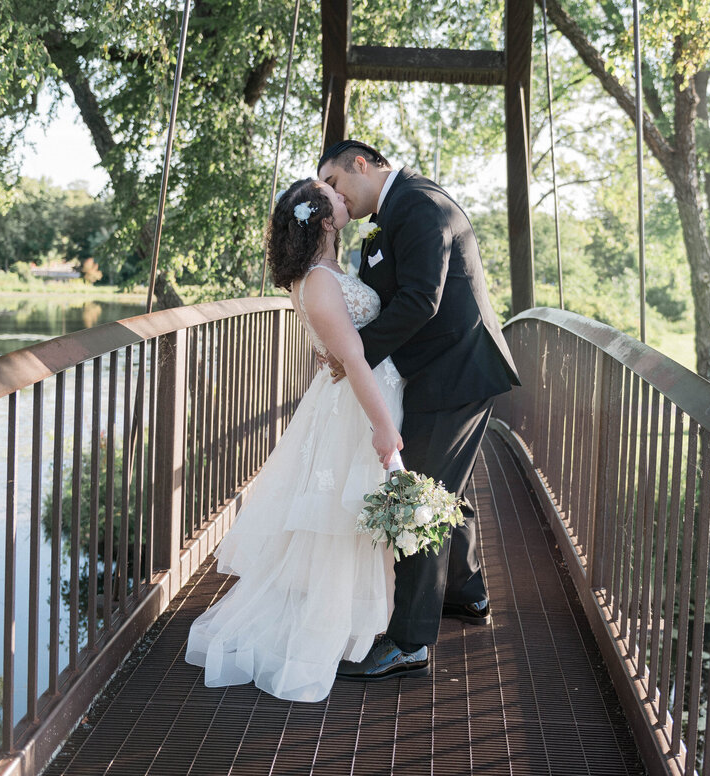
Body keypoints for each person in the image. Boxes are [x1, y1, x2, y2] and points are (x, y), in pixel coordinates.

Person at [184, 177, 405, 702]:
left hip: (361, 396)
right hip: (358, 408)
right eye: (332, 196)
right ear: (325, 220)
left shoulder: (325, 273)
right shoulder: (319, 281)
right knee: (340, 518)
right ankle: (327, 631)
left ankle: (355, 621)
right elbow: (351, 357)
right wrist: (383, 428)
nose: (342, 195)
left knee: (348, 516)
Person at [317, 140, 520, 681]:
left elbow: (421, 299)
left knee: (417, 500)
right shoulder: (395, 213)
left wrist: (353, 354)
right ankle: (467, 594)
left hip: (454, 375)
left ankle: (409, 640)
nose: (334, 197)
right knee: (442, 489)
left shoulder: (419, 205)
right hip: (439, 374)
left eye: (334, 184)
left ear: (361, 164)